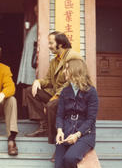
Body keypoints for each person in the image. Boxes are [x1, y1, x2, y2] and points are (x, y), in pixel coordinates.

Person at [25, 31, 83, 161]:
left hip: (71, 97)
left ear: (60, 44)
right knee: (30, 91)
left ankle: (58, 146)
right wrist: (38, 82)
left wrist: (55, 97)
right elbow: (49, 81)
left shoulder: (73, 58)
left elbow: (71, 82)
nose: (49, 46)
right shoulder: (55, 60)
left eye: (51, 43)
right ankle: (44, 126)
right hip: (58, 95)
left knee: (51, 105)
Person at [55, 59, 99, 168]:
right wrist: (59, 131)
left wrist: (77, 134)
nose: (64, 71)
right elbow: (60, 115)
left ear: (74, 70)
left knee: (70, 158)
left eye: (66, 68)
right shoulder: (65, 91)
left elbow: (91, 119)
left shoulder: (91, 92)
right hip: (66, 132)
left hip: (85, 135)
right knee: (59, 165)